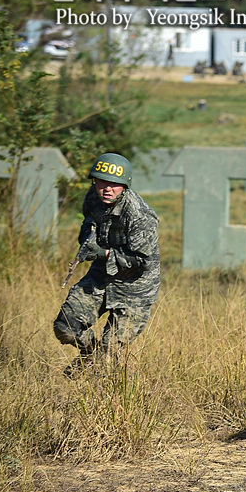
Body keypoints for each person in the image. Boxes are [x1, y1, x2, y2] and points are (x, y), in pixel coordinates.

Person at [54, 153, 160, 367]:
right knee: (65, 328)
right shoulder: (93, 198)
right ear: (94, 181)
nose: (107, 188)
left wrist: (103, 253)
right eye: (102, 181)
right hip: (102, 276)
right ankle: (91, 354)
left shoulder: (140, 216)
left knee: (108, 358)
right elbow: (88, 223)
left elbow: (143, 261)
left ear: (125, 185)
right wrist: (87, 239)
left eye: (115, 184)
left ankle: (94, 373)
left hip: (135, 288)